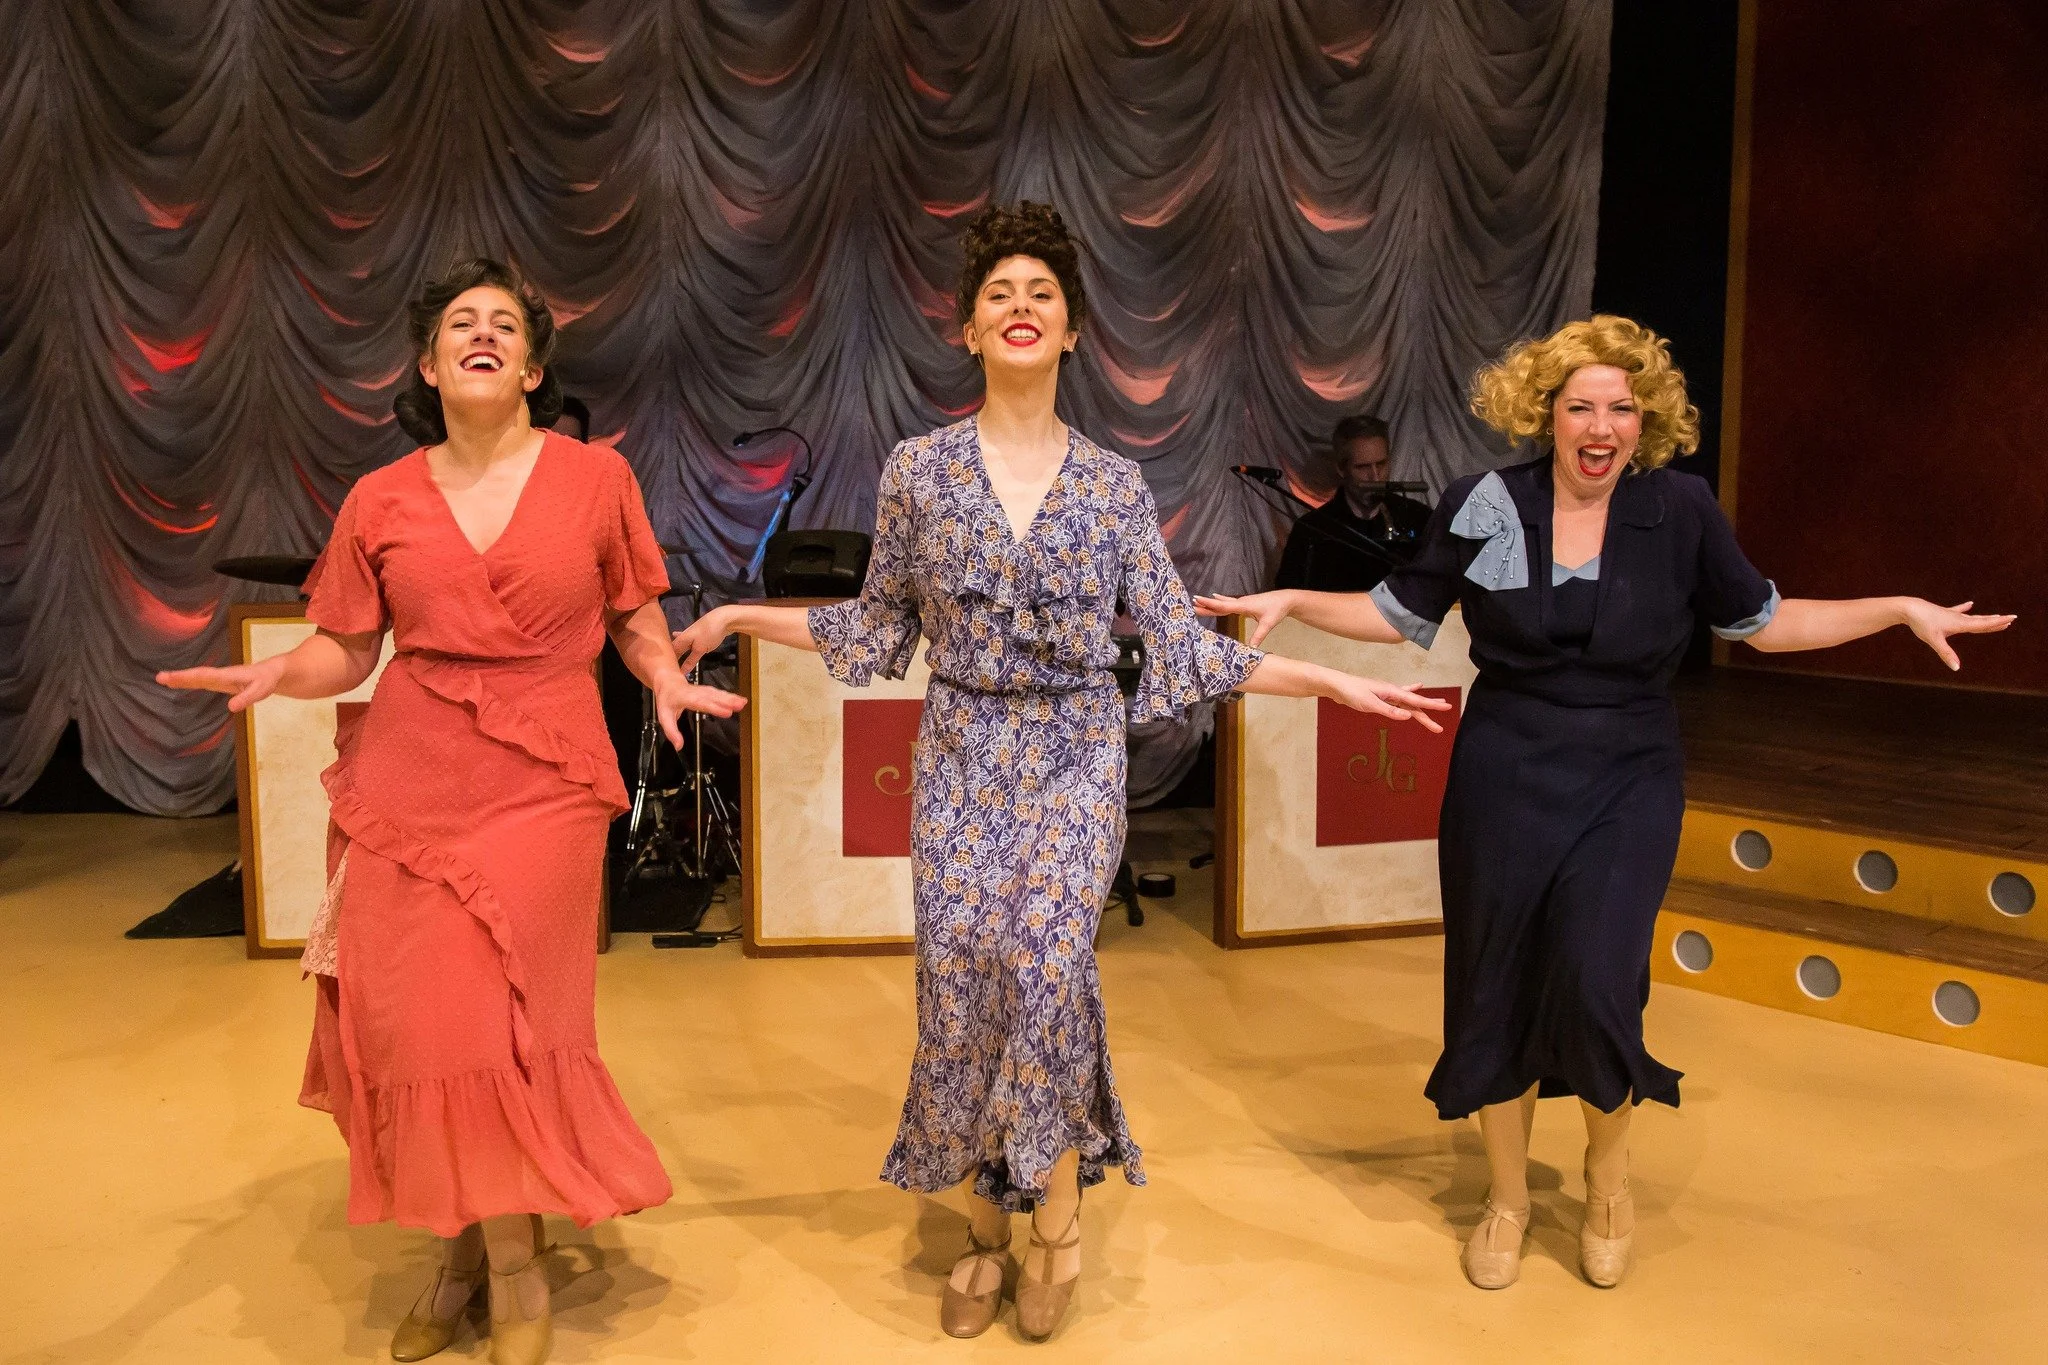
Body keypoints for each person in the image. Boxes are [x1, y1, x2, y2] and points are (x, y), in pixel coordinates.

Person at [672, 202, 1450, 1341]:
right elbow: (875, 630)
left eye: (1041, 293)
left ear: (1073, 331)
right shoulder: (919, 471)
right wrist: (741, 614)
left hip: (1075, 754)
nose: (1021, 306)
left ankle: (1054, 1219)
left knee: (1043, 965)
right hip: (960, 752)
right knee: (962, 984)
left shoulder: (1113, 486)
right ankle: (986, 1223)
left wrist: (1328, 684)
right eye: (999, 294)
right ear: (969, 331)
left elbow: (1182, 650)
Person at [1199, 314, 2013, 1293]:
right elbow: (1396, 611)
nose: (1600, 426)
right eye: (1579, 406)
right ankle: (1507, 1199)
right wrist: (1291, 602)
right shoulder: (1489, 504)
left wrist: (1896, 609)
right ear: (1544, 412)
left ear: (1644, 418)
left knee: (1596, 982)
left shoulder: (1678, 509)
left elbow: (1763, 623)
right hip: (1503, 772)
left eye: (1620, 408)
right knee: (1492, 986)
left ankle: (1608, 1181)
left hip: (1627, 773)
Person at [160, 259, 744, 1364]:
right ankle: (472, 1249)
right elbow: (348, 648)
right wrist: (282, 672)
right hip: (412, 779)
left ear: (531, 367)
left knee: (504, 1024)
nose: (482, 335)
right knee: (426, 1025)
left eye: (504, 326)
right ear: (428, 368)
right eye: (459, 325)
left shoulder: (595, 480)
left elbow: (632, 614)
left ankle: (501, 1265)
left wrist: (666, 675)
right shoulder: (380, 498)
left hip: (546, 779)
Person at [1273, 414, 1432, 592]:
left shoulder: (1419, 517)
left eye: (1381, 464)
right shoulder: (1311, 531)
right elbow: (1289, 597)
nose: (1375, 476)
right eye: (1363, 467)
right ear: (1341, 469)